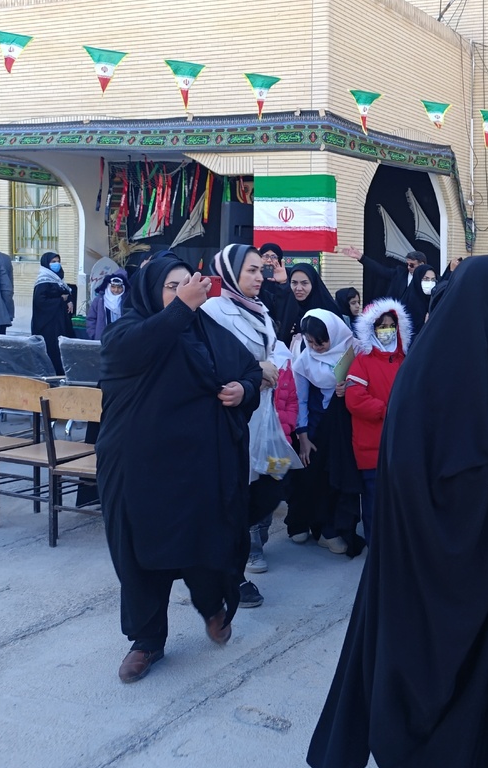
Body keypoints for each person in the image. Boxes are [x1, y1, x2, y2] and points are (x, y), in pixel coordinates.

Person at [308, 255, 488, 768]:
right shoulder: (430, 376)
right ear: (481, 308)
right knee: (432, 665)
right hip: (434, 562)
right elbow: (413, 475)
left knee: (481, 673)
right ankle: (414, 764)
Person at [97, 253, 262, 684]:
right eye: (172, 287)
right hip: (139, 469)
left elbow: (247, 368)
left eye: (189, 285)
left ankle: (212, 607)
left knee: (203, 541)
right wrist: (180, 307)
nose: (184, 294)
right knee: (140, 554)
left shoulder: (205, 331)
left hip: (196, 467)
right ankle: (146, 640)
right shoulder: (127, 331)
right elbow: (138, 348)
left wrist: (242, 390)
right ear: (152, 291)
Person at [201, 245, 292, 604]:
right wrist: (257, 373)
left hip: (265, 418)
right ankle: (232, 575)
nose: (258, 277)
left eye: (260, 271)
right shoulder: (213, 311)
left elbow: (275, 350)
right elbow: (211, 365)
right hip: (231, 420)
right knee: (233, 496)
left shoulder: (260, 310)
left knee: (271, 485)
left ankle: (228, 558)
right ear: (229, 273)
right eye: (250, 271)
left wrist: (273, 367)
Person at [291, 309, 364, 555]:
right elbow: (300, 399)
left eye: (320, 341)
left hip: (349, 424)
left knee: (343, 477)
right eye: (309, 342)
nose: (315, 347)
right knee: (318, 478)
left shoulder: (354, 348)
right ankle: (317, 526)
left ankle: (337, 528)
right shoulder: (304, 359)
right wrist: (302, 436)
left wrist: (350, 386)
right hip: (319, 427)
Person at [345, 298, 412, 545]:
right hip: (371, 445)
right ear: (371, 329)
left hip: (401, 444)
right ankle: (376, 546)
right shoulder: (362, 361)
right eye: (381, 326)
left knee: (399, 498)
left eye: (390, 325)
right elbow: (354, 399)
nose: (386, 330)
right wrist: (386, 410)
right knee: (373, 499)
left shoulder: (406, 359)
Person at [277, 262, 340, 348]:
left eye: (304, 283)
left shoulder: (328, 310)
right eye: (294, 283)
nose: (298, 288)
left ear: (313, 284)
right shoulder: (287, 308)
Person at [31, 251, 74, 375]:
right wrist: (61, 300)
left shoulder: (58, 278)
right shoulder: (43, 280)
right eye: (53, 262)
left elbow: (66, 293)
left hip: (61, 321)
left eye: (58, 261)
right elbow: (40, 301)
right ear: (46, 263)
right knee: (52, 349)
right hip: (48, 323)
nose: (57, 264)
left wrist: (69, 300)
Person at [341, 244, 426, 302]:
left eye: (412, 265)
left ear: (421, 264)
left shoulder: (430, 278)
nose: (408, 267)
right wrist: (361, 257)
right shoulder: (400, 273)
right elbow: (380, 270)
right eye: (407, 264)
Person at [256, 243, 295, 337]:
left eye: (273, 256)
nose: (269, 260)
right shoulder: (255, 276)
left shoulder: (288, 275)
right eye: (265, 256)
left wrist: (283, 282)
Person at [86, 274, 126, 340]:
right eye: (113, 287)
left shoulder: (126, 301)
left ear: (123, 288)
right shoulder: (99, 301)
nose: (116, 290)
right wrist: (93, 335)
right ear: (108, 286)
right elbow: (91, 318)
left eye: (119, 287)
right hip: (103, 338)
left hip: (121, 338)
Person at [404, 264, 438, 337]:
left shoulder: (436, 302)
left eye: (433, 280)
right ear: (417, 279)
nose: (430, 283)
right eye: (426, 279)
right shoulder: (407, 303)